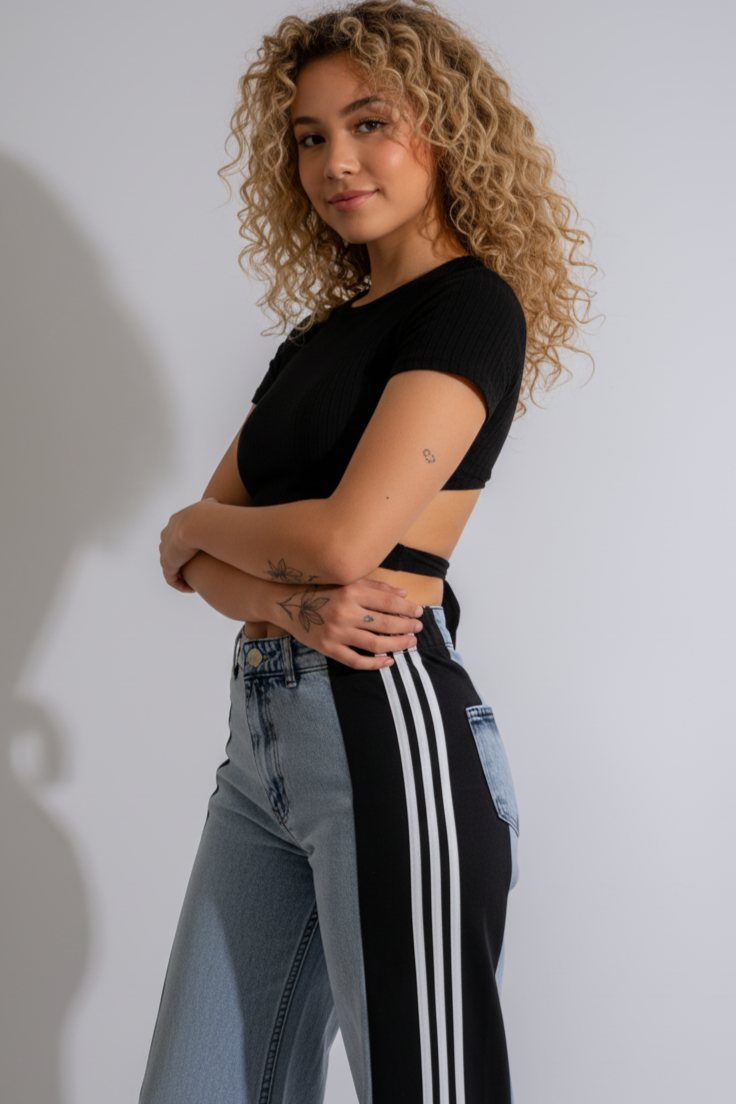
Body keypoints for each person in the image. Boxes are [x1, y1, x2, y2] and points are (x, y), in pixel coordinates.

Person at [141, 2, 597, 1102]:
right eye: (310, 137)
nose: (334, 161)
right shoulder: (319, 338)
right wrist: (278, 593)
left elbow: (341, 538)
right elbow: (197, 564)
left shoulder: (469, 308)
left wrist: (197, 530)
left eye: (368, 123)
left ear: (444, 128)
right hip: (260, 748)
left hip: (386, 723)